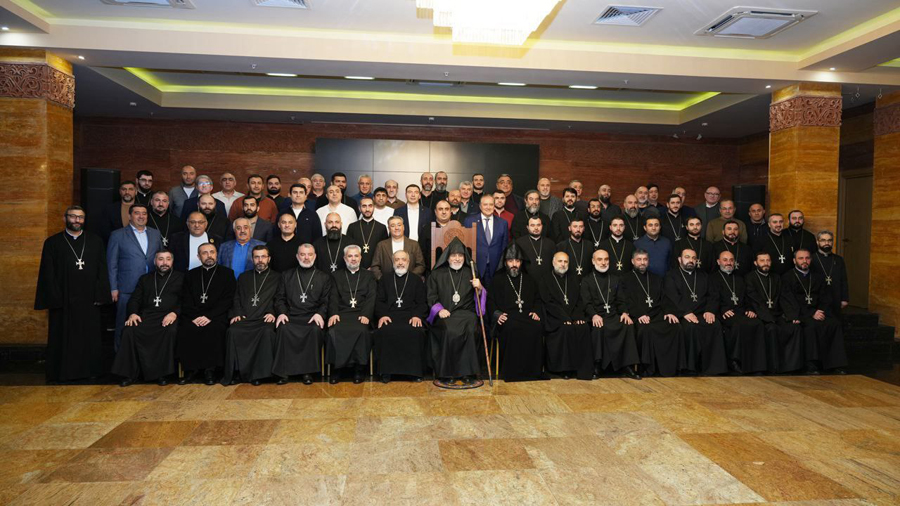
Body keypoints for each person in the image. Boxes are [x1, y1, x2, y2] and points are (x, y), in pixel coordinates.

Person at [35, 206, 111, 383]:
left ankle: (91, 371)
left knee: (89, 336)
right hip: (64, 300)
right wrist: (55, 298)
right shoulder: (53, 243)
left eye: (80, 217)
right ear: (65, 218)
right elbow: (48, 273)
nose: (77, 220)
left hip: (89, 299)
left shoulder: (95, 241)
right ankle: (62, 373)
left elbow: (102, 269)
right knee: (63, 336)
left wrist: (101, 295)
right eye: (73, 217)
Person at [112, 249, 183, 387]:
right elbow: (135, 299)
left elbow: (185, 300)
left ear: (172, 262)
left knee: (169, 331)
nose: (164, 262)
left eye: (168, 259)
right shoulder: (145, 279)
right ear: (155, 261)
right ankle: (130, 374)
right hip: (147, 316)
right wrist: (133, 313)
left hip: (169, 316)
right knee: (129, 330)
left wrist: (174, 313)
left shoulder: (181, 278)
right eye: (161, 259)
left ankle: (162, 374)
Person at [176, 242, 236, 385]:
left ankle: (210, 370)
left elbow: (228, 299)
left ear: (217, 255)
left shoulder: (227, 273)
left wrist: (209, 316)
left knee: (214, 329)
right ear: (199, 256)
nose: (209, 256)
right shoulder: (190, 275)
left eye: (212, 252)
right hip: (193, 315)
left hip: (217, 315)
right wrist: (195, 317)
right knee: (187, 329)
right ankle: (191, 370)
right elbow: (186, 299)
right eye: (205, 253)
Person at [427, 238, 484, 385]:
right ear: (447, 257)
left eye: (460, 255)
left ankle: (468, 373)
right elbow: (431, 296)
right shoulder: (437, 274)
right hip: (446, 313)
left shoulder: (471, 272)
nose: (457, 258)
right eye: (453, 255)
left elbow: (479, 299)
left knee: (471, 329)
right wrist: (439, 310)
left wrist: (480, 288)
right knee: (449, 330)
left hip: (467, 313)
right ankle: (447, 373)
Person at [272, 243, 332, 385]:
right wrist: (282, 313)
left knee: (314, 330)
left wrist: (320, 314)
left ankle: (308, 372)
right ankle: (284, 372)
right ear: (297, 256)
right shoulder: (287, 275)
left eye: (309, 254)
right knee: (283, 328)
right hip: (291, 316)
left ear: (314, 256)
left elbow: (326, 300)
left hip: (312, 316)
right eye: (303, 254)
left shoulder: (324, 277)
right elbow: (279, 298)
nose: (306, 258)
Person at [781, 248, 848, 375]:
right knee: (811, 327)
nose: (804, 261)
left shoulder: (818, 277)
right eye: (801, 258)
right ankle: (812, 364)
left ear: (811, 260)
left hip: (818, 312)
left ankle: (836, 364)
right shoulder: (787, 277)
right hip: (801, 313)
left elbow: (825, 297)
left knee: (834, 324)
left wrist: (821, 311)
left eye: (807, 258)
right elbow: (789, 301)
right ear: (794, 261)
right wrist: (811, 313)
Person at [619, 250, 684, 377]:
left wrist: (669, 312)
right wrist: (639, 314)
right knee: (646, 329)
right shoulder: (625, 279)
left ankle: (671, 367)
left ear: (648, 261)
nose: (642, 262)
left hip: (657, 314)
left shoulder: (656, 278)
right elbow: (625, 300)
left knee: (675, 326)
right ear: (632, 261)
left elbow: (664, 298)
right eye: (639, 259)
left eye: (645, 259)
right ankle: (647, 368)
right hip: (638, 316)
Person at [664, 248, 728, 376]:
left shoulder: (704, 276)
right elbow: (672, 297)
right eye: (687, 257)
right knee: (690, 327)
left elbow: (713, 295)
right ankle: (691, 368)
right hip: (683, 314)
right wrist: (685, 312)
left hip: (702, 313)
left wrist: (710, 311)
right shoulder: (671, 276)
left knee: (715, 325)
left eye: (693, 258)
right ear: (679, 259)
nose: (691, 261)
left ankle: (714, 368)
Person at [486, 244, 544, 382]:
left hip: (526, 316)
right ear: (505, 262)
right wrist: (497, 314)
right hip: (507, 317)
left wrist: (536, 311)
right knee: (511, 328)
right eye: (511, 261)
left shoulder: (529, 280)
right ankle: (512, 372)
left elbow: (537, 299)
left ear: (521, 262)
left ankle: (532, 372)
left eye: (517, 261)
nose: (514, 264)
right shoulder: (497, 280)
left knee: (536, 327)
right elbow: (490, 301)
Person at [222, 245, 280, 385]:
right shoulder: (244, 277)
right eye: (256, 257)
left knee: (266, 332)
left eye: (263, 257)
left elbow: (280, 298)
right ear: (252, 259)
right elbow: (236, 297)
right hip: (246, 317)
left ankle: (260, 375)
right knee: (233, 331)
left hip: (264, 318)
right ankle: (237, 373)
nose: (260, 260)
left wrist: (272, 312)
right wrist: (237, 313)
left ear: (269, 259)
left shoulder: (277, 277)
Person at [107, 203, 163, 349]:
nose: (141, 216)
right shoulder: (117, 235)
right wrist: (113, 288)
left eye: (144, 213)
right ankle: (120, 354)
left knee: (146, 324)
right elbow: (112, 264)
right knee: (123, 322)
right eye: (137, 213)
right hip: (127, 288)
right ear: (130, 216)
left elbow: (161, 258)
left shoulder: (155, 233)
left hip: (151, 287)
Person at [581, 249, 641, 379]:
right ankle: (597, 365)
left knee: (627, 325)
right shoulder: (587, 280)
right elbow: (586, 303)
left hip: (613, 315)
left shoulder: (615, 279)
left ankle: (627, 366)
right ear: (593, 261)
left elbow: (621, 300)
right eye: (600, 259)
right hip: (597, 316)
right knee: (598, 327)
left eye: (606, 259)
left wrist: (624, 312)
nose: (603, 262)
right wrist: (594, 315)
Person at [745, 251, 805, 374]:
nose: (765, 263)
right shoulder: (750, 278)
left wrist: (792, 316)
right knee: (772, 329)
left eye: (768, 260)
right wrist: (769, 318)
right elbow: (754, 300)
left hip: (777, 315)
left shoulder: (776, 277)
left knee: (795, 328)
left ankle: (791, 367)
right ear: (755, 263)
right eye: (762, 261)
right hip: (761, 316)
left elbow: (785, 298)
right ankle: (774, 368)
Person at [374, 250, 429, 383]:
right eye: (397, 259)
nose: (400, 262)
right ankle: (386, 372)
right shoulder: (385, 279)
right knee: (385, 330)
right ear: (392, 262)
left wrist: (417, 316)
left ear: (408, 262)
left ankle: (414, 372)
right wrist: (382, 315)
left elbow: (422, 302)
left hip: (411, 316)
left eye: (403, 260)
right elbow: (379, 301)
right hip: (389, 315)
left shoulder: (416, 280)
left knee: (416, 331)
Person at [709, 250, 767, 374]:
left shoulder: (740, 278)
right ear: (718, 262)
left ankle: (757, 365)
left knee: (758, 324)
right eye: (725, 260)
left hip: (741, 311)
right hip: (725, 313)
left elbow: (747, 297)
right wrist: (722, 310)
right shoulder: (713, 278)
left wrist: (750, 309)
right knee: (737, 325)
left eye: (731, 260)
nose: (728, 263)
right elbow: (713, 298)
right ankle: (735, 361)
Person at [324, 245, 376, 384]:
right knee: (334, 330)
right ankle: (337, 369)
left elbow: (371, 297)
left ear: (361, 257)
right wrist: (333, 313)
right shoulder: (336, 276)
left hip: (360, 314)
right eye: (350, 256)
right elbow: (333, 297)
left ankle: (359, 369)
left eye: (356, 256)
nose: (353, 259)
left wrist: (366, 314)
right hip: (341, 314)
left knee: (362, 331)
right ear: (344, 258)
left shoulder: (369, 276)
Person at [541, 251, 593, 380]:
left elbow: (579, 301)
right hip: (554, 317)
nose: (563, 264)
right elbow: (548, 303)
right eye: (560, 261)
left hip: (573, 316)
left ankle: (581, 369)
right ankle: (563, 369)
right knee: (566, 328)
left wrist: (578, 317)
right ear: (553, 262)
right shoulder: (545, 279)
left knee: (583, 327)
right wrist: (565, 318)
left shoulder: (574, 279)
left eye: (565, 262)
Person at [464, 194, 508, 288]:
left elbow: (504, 247)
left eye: (491, 204)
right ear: (480, 206)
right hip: (475, 268)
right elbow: (465, 245)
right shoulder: (469, 221)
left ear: (494, 206)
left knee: (493, 295)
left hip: (496, 268)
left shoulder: (502, 223)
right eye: (485, 204)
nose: (488, 207)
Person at [811, 231, 849, 318]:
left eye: (829, 240)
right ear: (817, 242)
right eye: (823, 240)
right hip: (818, 300)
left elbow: (843, 279)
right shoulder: (812, 259)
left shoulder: (839, 260)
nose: (826, 243)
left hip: (835, 297)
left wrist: (845, 298)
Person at [347, 196, 388, 269]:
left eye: (370, 206)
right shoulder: (352, 227)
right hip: (356, 267)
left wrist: (374, 266)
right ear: (359, 208)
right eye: (364, 206)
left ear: (374, 207)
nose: (367, 209)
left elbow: (383, 251)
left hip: (375, 268)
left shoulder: (382, 227)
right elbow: (349, 249)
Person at [394, 184, 434, 254]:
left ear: (419, 195)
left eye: (416, 192)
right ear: (406, 195)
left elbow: (431, 232)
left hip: (422, 249)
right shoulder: (398, 211)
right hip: (403, 249)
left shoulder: (427, 212)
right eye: (410, 192)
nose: (413, 195)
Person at [516, 215, 556, 280]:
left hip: (547, 280)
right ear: (527, 227)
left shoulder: (550, 244)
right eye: (532, 225)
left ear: (542, 226)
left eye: (538, 225)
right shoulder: (519, 243)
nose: (536, 228)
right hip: (526, 280)